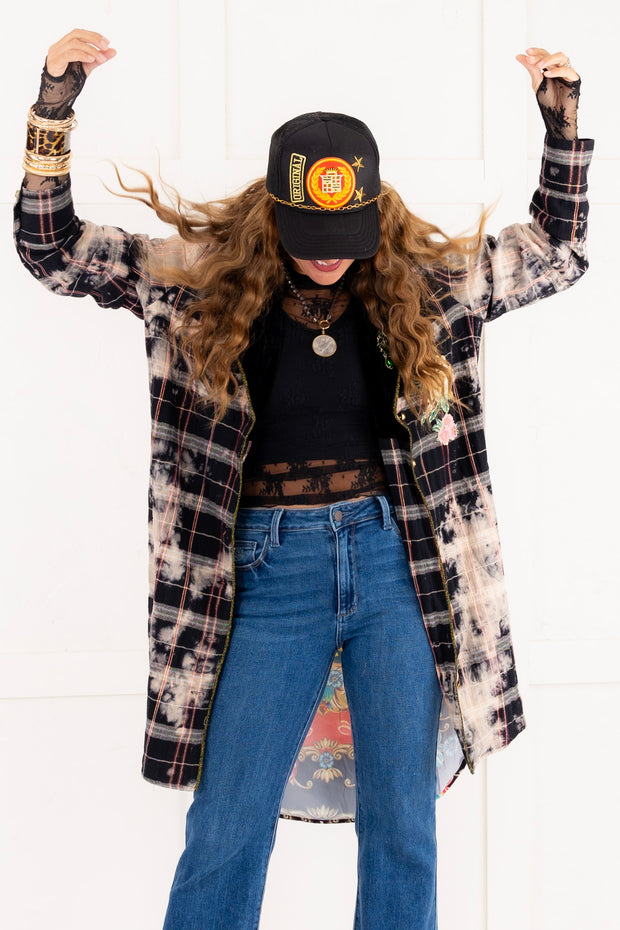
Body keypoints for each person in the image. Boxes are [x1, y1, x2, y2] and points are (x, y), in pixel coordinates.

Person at [15, 28, 593, 930]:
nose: (328, 254)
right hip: (265, 571)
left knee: (404, 828)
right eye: (310, 236)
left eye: (345, 235)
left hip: (395, 566)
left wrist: (560, 128)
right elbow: (53, 250)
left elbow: (556, 251)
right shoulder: (194, 285)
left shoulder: (425, 287)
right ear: (272, 214)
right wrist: (55, 106)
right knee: (227, 825)